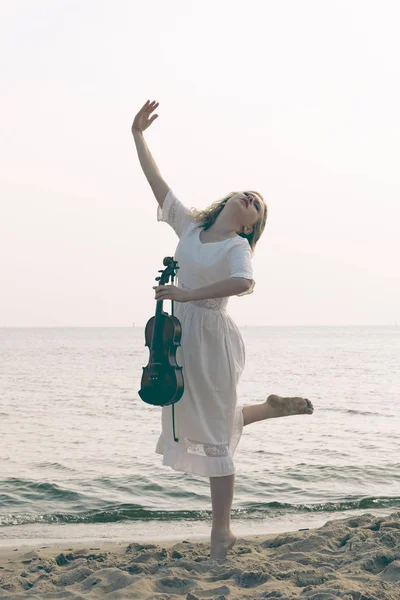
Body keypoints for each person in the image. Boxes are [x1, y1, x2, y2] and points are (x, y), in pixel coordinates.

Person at [132, 100, 314, 561]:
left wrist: (187, 295)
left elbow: (245, 283)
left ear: (253, 225)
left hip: (212, 337)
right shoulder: (192, 226)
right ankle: (267, 409)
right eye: (247, 192)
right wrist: (138, 136)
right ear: (229, 199)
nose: (251, 198)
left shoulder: (237, 247)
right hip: (177, 335)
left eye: (259, 204)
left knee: (214, 432)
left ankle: (221, 532)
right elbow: (160, 189)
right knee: (197, 417)